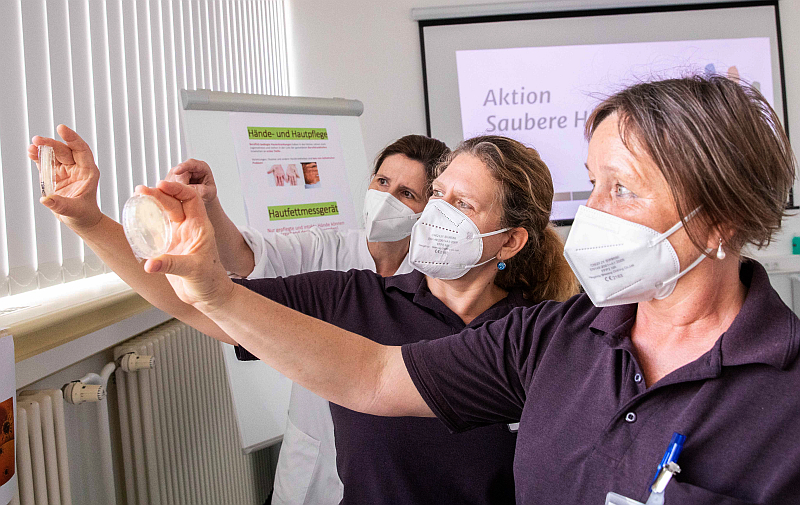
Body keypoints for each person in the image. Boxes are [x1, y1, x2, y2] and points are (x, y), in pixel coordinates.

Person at [30, 131, 578, 504]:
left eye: (462, 205)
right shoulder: (352, 299)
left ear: (509, 241)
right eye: (437, 195)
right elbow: (192, 300)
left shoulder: (539, 337)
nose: (436, 213)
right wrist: (88, 220)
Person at [165, 134, 449, 505]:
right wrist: (209, 204)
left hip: (388, 461)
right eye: (382, 182)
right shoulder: (327, 250)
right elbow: (245, 259)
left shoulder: (437, 281)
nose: (386, 198)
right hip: (315, 451)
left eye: (406, 193)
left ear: (429, 209)